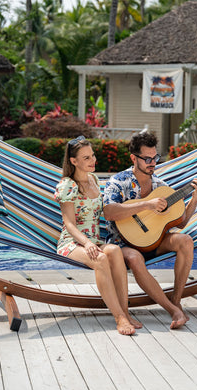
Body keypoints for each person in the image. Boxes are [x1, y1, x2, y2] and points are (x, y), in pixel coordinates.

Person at [103, 131, 197, 329]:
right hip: (122, 243)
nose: (153, 163)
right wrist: (146, 205)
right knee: (134, 258)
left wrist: (195, 197)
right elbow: (109, 212)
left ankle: (176, 300)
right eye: (147, 159)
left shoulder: (161, 186)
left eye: (155, 158)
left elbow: (181, 222)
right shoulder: (118, 181)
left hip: (153, 242)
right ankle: (172, 310)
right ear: (134, 158)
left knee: (185, 240)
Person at [54, 135, 142, 335]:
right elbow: (68, 223)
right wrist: (86, 244)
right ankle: (119, 317)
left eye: (92, 155)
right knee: (101, 258)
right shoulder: (68, 185)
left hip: (94, 240)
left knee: (115, 251)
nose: (93, 160)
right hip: (72, 243)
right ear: (73, 161)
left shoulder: (94, 180)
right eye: (86, 158)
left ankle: (125, 312)